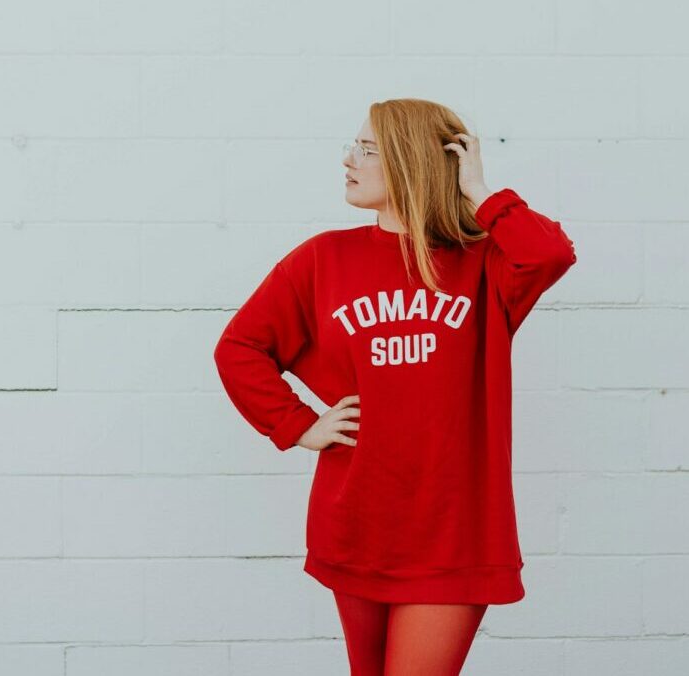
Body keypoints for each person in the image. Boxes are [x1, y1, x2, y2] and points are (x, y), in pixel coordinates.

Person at [213, 98, 577, 675]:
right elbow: (239, 348)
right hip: (357, 520)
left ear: (410, 161)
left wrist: (480, 192)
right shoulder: (322, 259)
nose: (347, 160)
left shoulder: (484, 262)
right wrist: (298, 424)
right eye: (352, 147)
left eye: (367, 149)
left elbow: (550, 253)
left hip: (455, 533)